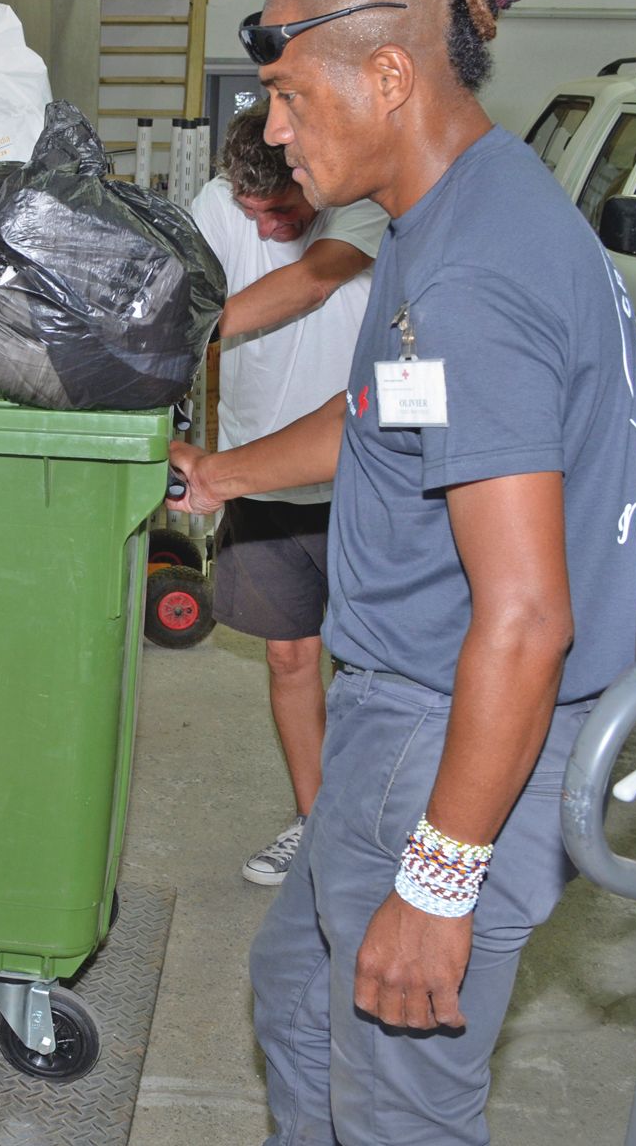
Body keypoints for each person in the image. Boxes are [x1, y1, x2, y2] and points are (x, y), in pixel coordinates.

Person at [168, 0, 636, 1144]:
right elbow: (385, 414)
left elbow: (528, 617)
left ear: (388, 77)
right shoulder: (451, 215)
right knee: (294, 991)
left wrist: (440, 878)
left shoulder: (473, 276)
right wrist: (222, 473)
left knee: (398, 1105)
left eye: (285, 95)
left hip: (455, 730)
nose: (271, 130)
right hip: (406, 720)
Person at [189, 104, 387, 887]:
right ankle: (315, 825)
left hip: (365, 475)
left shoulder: (363, 199)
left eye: (281, 210)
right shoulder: (217, 203)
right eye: (250, 210)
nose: (266, 228)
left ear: (313, 173)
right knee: (288, 655)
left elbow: (310, 280)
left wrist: (191, 333)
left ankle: (378, 827)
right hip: (257, 469)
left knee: (376, 667)